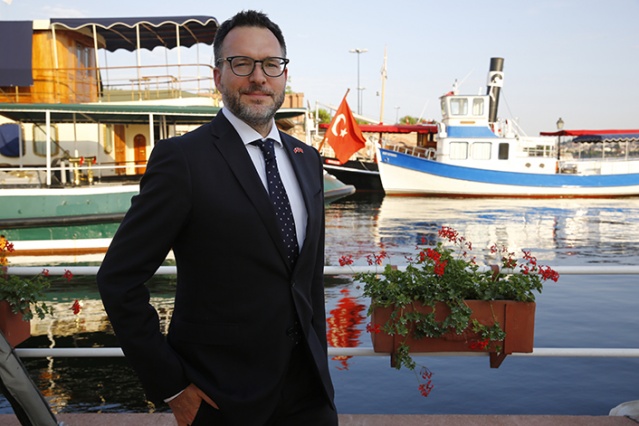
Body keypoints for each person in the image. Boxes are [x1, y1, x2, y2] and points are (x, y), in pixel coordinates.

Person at [97, 10, 337, 426]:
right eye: (241, 63)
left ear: (284, 74)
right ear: (217, 76)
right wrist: (172, 386)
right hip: (221, 399)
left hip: (308, 396)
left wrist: (321, 364)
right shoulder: (182, 160)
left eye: (271, 64)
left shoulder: (307, 159)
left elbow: (308, 279)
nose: (258, 77)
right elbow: (119, 280)